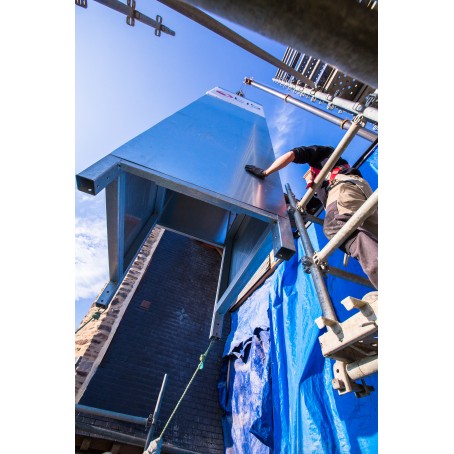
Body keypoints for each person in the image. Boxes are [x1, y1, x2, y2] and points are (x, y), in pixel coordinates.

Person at [245, 145, 378, 289]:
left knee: (336, 225)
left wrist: (265, 172)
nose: (307, 179)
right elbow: (306, 206)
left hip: (343, 186)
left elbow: (292, 155)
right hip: (358, 191)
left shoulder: (321, 156)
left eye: (308, 175)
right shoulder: (321, 190)